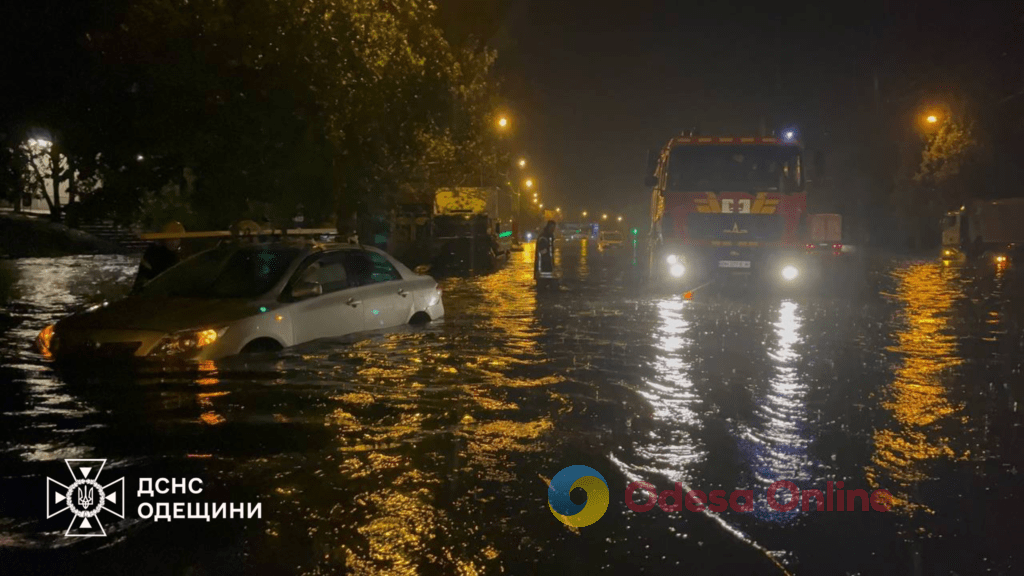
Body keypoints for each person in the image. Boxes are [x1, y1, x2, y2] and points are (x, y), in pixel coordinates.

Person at [132, 221, 185, 292]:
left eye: (176, 239)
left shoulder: (177, 254)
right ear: (164, 238)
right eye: (171, 239)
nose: (174, 242)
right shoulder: (154, 253)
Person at [535, 220, 557, 287]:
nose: (553, 229)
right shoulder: (543, 238)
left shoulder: (549, 237)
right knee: (542, 288)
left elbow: (550, 253)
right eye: (552, 227)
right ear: (549, 227)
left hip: (547, 267)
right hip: (542, 268)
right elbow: (542, 254)